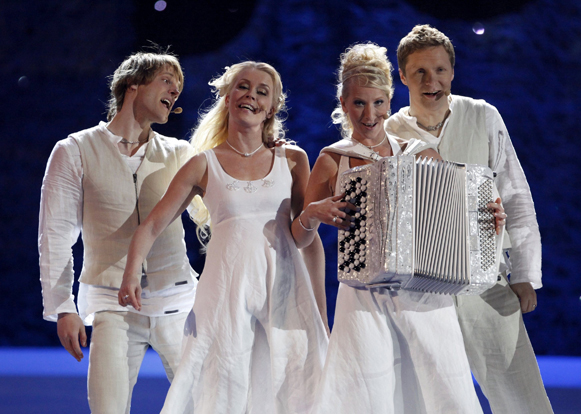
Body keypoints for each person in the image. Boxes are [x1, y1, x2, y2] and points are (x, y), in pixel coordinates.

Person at [293, 43, 500, 414]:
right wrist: (312, 214)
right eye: (359, 103)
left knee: (443, 393)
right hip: (362, 296)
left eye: (377, 103)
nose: (369, 114)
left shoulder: (421, 153)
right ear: (343, 103)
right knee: (365, 396)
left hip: (425, 294)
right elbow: (299, 237)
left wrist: (489, 223)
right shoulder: (331, 159)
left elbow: (454, 226)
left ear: (389, 102)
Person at [118, 61, 329, 414]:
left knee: (294, 388)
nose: (251, 95)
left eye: (262, 92)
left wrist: (321, 315)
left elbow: (307, 240)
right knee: (223, 388)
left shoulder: (292, 160)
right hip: (225, 293)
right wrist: (131, 273)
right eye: (244, 87)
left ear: (272, 108)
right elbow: (152, 225)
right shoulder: (203, 164)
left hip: (284, 290)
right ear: (228, 96)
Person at [385, 24, 554, 414]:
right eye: (421, 72)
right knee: (431, 399)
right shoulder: (390, 131)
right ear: (403, 76)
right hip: (420, 289)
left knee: (520, 395)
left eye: (440, 70)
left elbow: (515, 194)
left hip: (486, 281)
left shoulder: (482, 115)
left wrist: (525, 274)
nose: (432, 81)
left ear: (452, 72)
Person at [38, 51, 198, 413]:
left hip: (177, 303)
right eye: (167, 81)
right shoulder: (74, 150)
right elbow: (56, 234)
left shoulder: (181, 153)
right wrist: (63, 307)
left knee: (205, 403)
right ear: (133, 85)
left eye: (179, 87)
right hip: (113, 305)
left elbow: (216, 210)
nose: (175, 92)